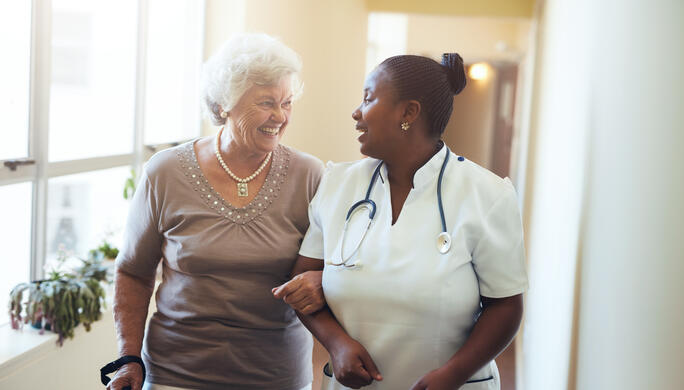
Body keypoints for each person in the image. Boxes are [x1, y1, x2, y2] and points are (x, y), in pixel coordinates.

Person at [274, 53, 528, 389]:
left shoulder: (487, 195)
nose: (356, 112)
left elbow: (506, 306)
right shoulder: (338, 184)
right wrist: (336, 344)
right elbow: (300, 282)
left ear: (408, 113)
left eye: (368, 98)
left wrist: (454, 374)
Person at [107, 33, 326, 390]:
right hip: (174, 375)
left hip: (276, 376)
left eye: (287, 102)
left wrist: (321, 281)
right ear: (225, 103)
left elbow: (335, 266)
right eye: (267, 102)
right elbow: (133, 271)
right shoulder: (166, 172)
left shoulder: (309, 175)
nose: (280, 116)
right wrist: (128, 357)